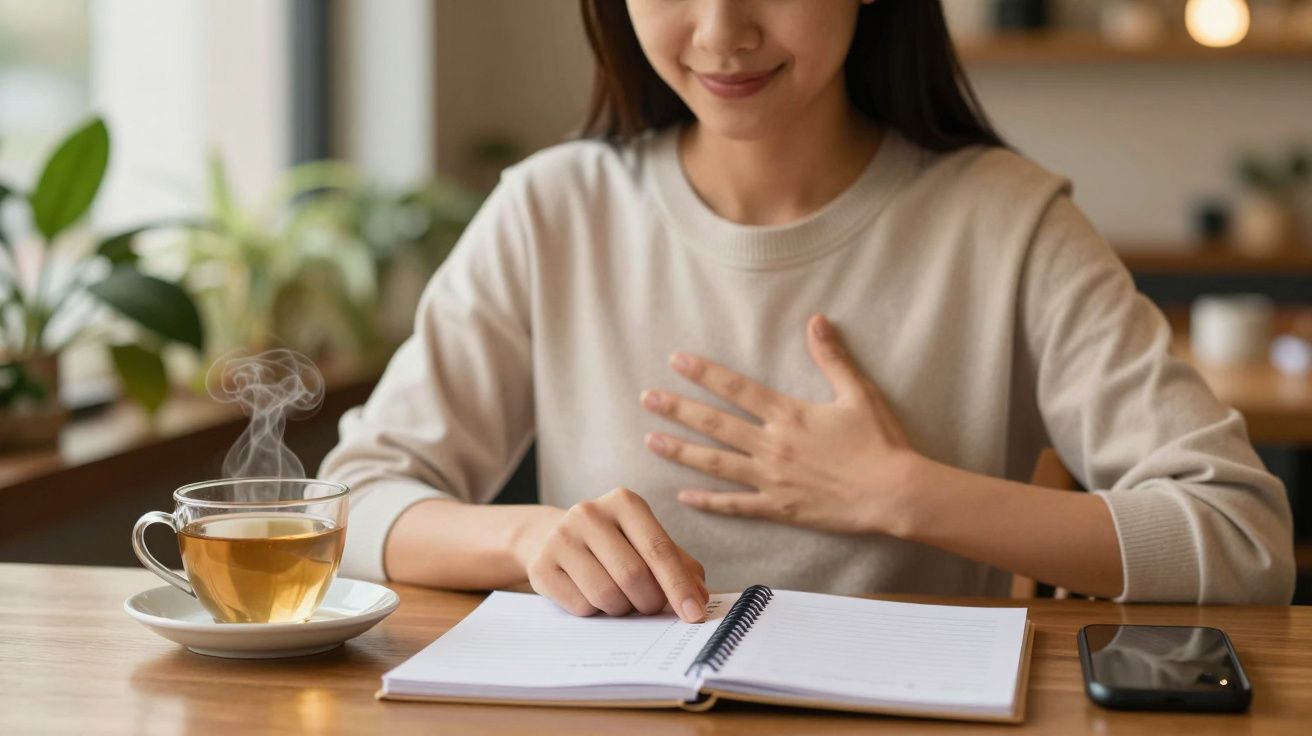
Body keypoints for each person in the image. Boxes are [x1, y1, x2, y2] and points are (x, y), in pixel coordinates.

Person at [320, 0, 1295, 622]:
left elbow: (1242, 540)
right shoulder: (551, 210)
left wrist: (903, 492)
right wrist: (526, 540)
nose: (719, 31)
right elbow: (351, 501)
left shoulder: (1008, 221)